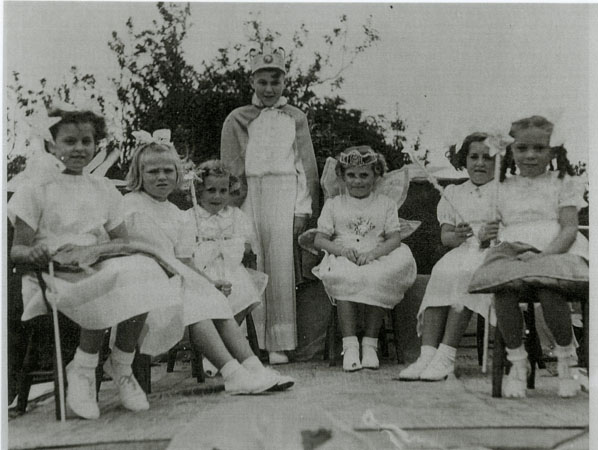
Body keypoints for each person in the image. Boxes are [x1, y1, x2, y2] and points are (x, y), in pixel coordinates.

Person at [8, 109, 176, 419]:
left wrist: (99, 251)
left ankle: (121, 363)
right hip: (53, 274)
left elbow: (122, 242)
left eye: (87, 141)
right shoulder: (36, 188)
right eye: (69, 141)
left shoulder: (102, 188)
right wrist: (33, 254)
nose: (79, 148)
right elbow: (17, 250)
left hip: (95, 262)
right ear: (51, 145)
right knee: (102, 280)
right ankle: (84, 368)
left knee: (144, 268)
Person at [123, 130, 294, 394]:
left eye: (168, 171)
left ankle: (254, 368)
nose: (161, 177)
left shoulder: (177, 215)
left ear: (178, 175)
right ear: (139, 174)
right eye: (153, 172)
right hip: (142, 288)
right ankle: (232, 372)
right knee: (197, 304)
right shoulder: (131, 205)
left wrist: (210, 282)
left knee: (211, 297)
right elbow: (128, 250)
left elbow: (184, 261)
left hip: (173, 282)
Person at [474, 116, 588, 398]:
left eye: (539, 148)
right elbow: (489, 234)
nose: (530, 155)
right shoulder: (502, 186)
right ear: (510, 152)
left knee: (548, 286)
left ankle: (565, 361)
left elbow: (569, 228)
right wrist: (486, 232)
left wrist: (543, 257)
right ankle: (517, 362)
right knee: (504, 288)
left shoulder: (563, 182)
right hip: (514, 249)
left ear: (553, 151)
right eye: (522, 148)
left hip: (556, 248)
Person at [220, 43, 319, 365]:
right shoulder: (238, 118)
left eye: (275, 82)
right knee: (250, 258)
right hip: (249, 193)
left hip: (284, 191)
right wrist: (231, 206)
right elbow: (232, 164)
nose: (268, 89)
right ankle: (250, 341)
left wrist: (302, 209)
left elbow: (305, 166)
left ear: (284, 83)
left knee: (280, 265)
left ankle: (279, 342)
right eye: (262, 82)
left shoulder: (295, 117)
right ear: (251, 83)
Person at [398, 133, 499, 381]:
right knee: (443, 271)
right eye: (473, 157)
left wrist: (489, 235)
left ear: (499, 161)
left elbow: (512, 231)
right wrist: (460, 234)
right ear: (464, 159)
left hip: (494, 253)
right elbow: (447, 238)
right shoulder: (454, 192)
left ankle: (447, 355)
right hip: (464, 249)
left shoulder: (503, 192)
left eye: (487, 157)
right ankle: (427, 354)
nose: (480, 163)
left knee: (465, 273)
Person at [312, 146, 417, 372]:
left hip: (377, 253)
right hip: (344, 254)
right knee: (343, 274)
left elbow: (394, 239)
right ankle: (350, 345)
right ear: (341, 176)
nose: (357, 181)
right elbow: (320, 240)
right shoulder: (334, 204)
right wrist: (340, 251)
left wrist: (374, 254)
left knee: (378, 275)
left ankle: (370, 344)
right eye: (351, 175)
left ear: (376, 175)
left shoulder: (385, 204)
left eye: (364, 175)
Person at [186, 159, 266, 324]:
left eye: (223, 191)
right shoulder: (190, 217)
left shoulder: (235, 216)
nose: (217, 196)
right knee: (201, 300)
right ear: (199, 191)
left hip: (232, 270)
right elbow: (184, 250)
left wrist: (232, 246)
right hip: (203, 271)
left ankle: (231, 334)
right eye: (211, 190)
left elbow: (248, 245)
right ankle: (212, 337)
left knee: (242, 292)